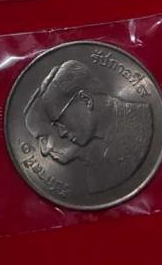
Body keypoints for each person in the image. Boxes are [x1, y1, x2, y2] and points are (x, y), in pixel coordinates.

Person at [24, 59, 153, 193]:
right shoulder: (97, 169)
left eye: (60, 120)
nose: (61, 133)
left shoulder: (142, 121)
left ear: (85, 100)